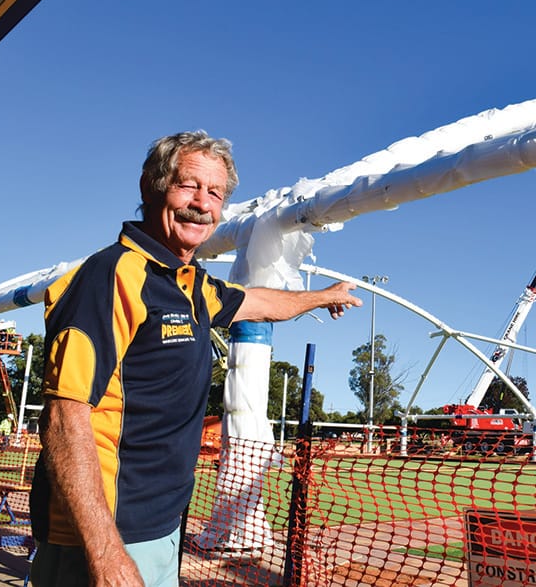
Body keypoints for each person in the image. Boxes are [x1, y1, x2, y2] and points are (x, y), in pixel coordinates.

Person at [29, 131, 362, 587]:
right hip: (105, 535)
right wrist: (106, 555)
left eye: (215, 193)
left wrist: (321, 297)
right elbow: (64, 418)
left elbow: (260, 302)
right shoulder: (111, 276)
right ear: (152, 186)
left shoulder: (191, 285)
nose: (202, 204)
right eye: (188, 186)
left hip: (160, 525)